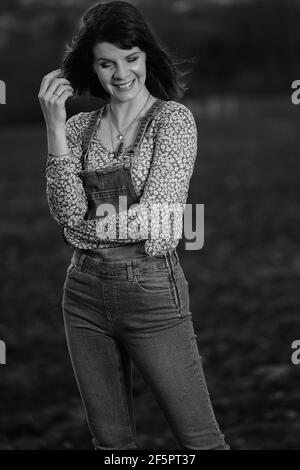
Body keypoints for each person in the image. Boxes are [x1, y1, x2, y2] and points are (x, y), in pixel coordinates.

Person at [38, 0, 229, 451]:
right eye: (107, 63)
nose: (121, 74)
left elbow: (160, 220)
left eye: (131, 58)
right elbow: (64, 209)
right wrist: (54, 127)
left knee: (201, 443)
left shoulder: (173, 121)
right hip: (82, 294)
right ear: (93, 67)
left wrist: (81, 228)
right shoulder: (79, 128)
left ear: (147, 56)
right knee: (111, 447)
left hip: (151, 292)